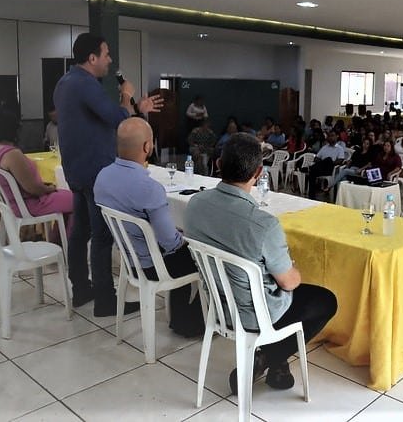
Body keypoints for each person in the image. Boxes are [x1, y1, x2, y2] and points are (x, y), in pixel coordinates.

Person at [185, 133, 337, 393]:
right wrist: (292, 267)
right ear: (258, 172)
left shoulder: (195, 204)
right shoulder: (263, 224)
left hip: (219, 305)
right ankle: (270, 357)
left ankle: (271, 362)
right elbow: (289, 283)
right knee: (325, 300)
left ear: (219, 164)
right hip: (255, 314)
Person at [53, 32, 162, 316]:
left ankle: (80, 288)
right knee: (101, 236)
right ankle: (104, 299)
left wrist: (136, 108)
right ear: (92, 58)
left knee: (80, 232)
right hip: (95, 172)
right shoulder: (86, 85)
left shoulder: (65, 83)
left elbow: (104, 118)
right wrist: (127, 96)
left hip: (76, 169)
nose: (109, 60)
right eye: (106, 54)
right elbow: (118, 120)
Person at [94, 118, 204, 337]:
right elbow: (170, 244)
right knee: (203, 257)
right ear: (148, 146)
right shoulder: (149, 188)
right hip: (152, 265)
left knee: (180, 245)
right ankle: (188, 321)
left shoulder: (102, 176)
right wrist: (186, 240)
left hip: (129, 259)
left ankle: (180, 314)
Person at [0, 109, 72, 239]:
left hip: (12, 201)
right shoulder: (12, 154)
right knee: (79, 201)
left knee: (69, 200)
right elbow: (33, 189)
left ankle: (59, 240)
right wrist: (50, 189)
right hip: (29, 204)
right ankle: (68, 245)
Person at [306, 131, 347, 198]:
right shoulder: (325, 147)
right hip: (320, 168)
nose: (330, 138)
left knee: (328, 159)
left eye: (332, 136)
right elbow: (316, 158)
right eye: (329, 136)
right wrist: (323, 162)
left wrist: (328, 162)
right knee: (312, 172)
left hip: (330, 169)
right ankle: (311, 196)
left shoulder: (340, 148)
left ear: (337, 136)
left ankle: (309, 168)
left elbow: (340, 160)